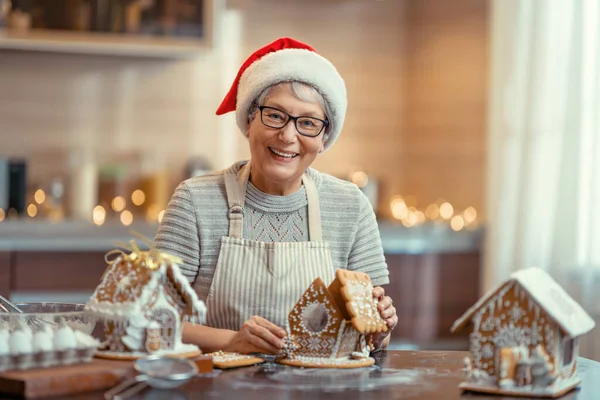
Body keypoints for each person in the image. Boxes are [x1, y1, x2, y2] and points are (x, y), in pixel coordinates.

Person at [154, 37, 397, 355]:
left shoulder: (351, 207)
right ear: (249, 120)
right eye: (275, 115)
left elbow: (369, 334)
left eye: (308, 123)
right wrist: (232, 342)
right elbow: (151, 320)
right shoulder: (195, 201)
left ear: (324, 137)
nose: (288, 136)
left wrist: (380, 330)